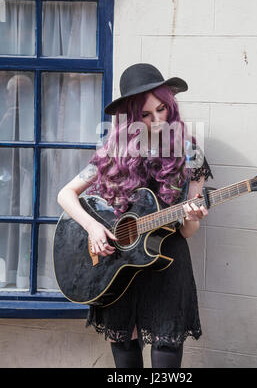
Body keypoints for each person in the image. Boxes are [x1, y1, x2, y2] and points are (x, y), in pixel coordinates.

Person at [57, 63, 214, 368]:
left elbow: (186, 232)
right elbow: (65, 194)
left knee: (165, 355)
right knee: (125, 356)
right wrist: (93, 228)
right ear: (131, 117)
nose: (157, 120)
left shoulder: (190, 152)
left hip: (167, 264)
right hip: (118, 266)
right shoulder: (113, 150)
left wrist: (194, 215)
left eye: (162, 110)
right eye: (145, 114)